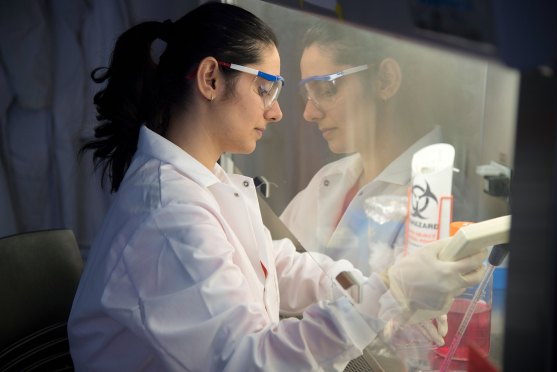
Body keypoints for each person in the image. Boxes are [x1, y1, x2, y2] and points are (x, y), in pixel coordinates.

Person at [68, 3, 485, 371]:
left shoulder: (203, 180)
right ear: (211, 79)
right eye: (265, 87)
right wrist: (390, 293)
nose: (278, 112)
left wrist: (376, 289)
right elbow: (252, 363)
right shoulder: (168, 216)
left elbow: (272, 263)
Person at [280, 20, 450, 276]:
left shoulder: (432, 198)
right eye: (307, 96)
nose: (309, 113)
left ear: (385, 81)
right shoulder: (331, 179)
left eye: (327, 90)